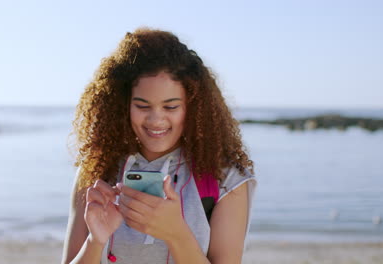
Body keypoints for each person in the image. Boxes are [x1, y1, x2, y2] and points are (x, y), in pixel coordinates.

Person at [62, 27, 257, 264]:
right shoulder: (97, 170)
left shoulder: (226, 179)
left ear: (193, 106)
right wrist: (96, 240)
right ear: (123, 103)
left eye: (171, 107)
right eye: (142, 106)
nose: (156, 120)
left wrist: (175, 233)